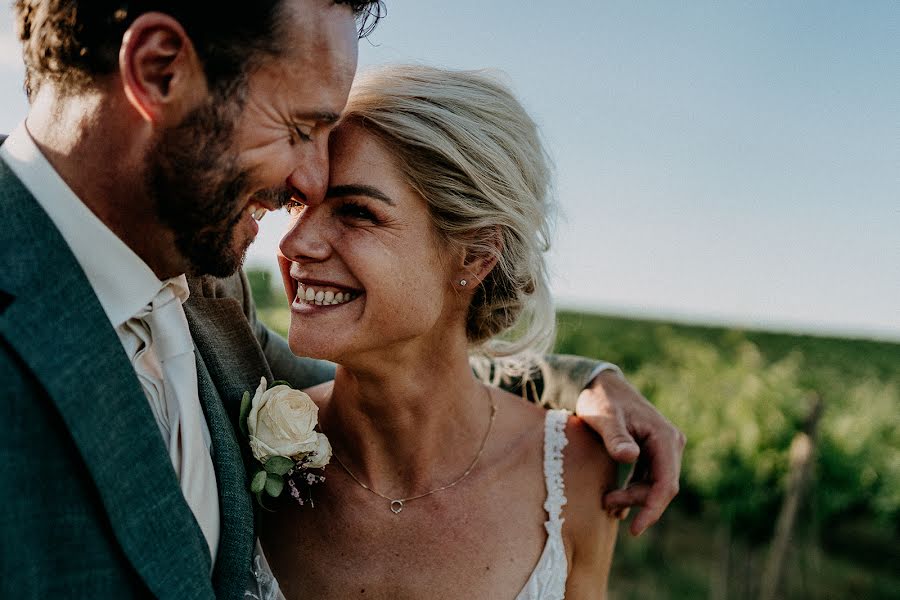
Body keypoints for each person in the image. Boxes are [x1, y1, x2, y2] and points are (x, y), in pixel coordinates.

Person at [0, 1, 683, 598]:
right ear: (158, 70)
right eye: (299, 127)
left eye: (354, 209)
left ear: (476, 254)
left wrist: (584, 382)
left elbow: (408, 380)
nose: (299, 200)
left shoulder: (205, 291)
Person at [256, 65, 617, 599]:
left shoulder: (576, 474)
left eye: (357, 212)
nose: (294, 245)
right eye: (297, 205)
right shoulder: (245, 452)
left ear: (474, 253)